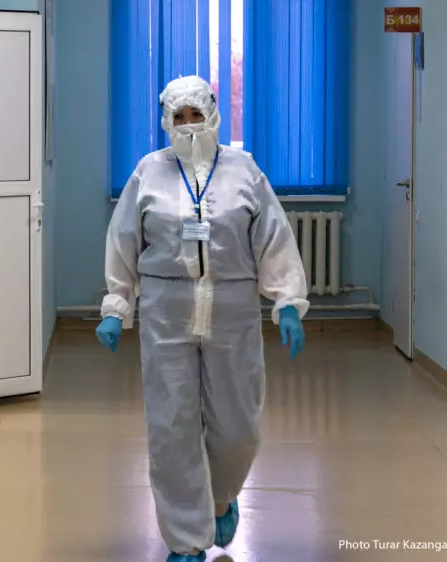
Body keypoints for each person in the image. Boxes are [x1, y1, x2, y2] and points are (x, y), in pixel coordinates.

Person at [95, 75, 308, 562]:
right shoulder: (148, 172)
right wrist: (116, 305)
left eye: (196, 114)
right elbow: (124, 241)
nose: (189, 124)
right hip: (166, 310)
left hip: (233, 310)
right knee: (171, 426)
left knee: (239, 426)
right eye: (179, 116)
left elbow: (273, 236)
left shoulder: (243, 169)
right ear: (166, 120)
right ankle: (186, 540)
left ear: (212, 113)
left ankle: (220, 497)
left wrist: (288, 301)